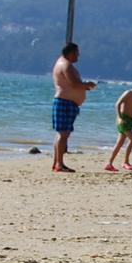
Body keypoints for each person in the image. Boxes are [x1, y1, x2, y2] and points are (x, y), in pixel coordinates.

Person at [51, 42, 96, 172]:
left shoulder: (64, 63)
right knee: (63, 134)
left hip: (67, 102)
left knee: (63, 134)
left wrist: (84, 87)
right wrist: (87, 84)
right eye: (77, 53)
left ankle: (57, 163)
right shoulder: (65, 65)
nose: (78, 56)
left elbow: (72, 85)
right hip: (64, 102)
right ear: (71, 53)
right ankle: (59, 164)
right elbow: (74, 84)